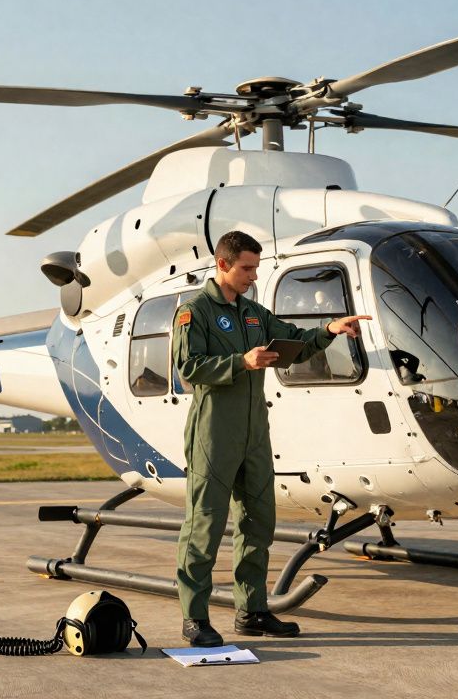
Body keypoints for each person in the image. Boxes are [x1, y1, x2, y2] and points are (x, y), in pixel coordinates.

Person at [172, 231, 370, 647]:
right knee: (204, 526)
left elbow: (294, 342)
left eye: (255, 268)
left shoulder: (253, 313)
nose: (253, 276)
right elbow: (188, 367)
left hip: (254, 434)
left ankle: (252, 611)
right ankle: (194, 618)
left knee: (258, 523)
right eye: (246, 268)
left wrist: (329, 329)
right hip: (213, 433)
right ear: (222, 264)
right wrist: (240, 362)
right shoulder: (195, 311)